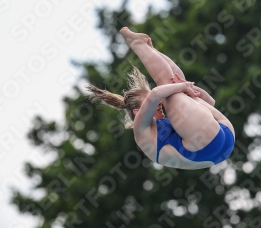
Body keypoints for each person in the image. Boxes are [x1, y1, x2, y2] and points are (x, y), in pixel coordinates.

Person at [86, 27, 235, 170]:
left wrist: (184, 87)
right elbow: (156, 94)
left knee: (175, 86)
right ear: (138, 112)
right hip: (208, 144)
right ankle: (137, 44)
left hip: (222, 137)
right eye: (154, 104)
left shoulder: (175, 123)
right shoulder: (141, 130)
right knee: (171, 86)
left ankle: (148, 49)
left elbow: (209, 102)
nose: (159, 104)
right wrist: (182, 86)